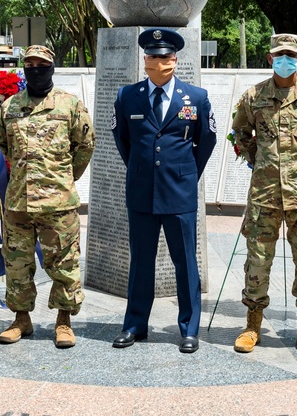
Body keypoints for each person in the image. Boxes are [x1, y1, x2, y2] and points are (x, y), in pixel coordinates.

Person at [231, 34, 297, 356]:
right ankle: (252, 326)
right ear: (269, 58)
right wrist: (258, 159)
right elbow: (241, 132)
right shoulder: (254, 96)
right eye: (279, 55)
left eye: (291, 55)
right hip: (264, 193)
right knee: (257, 261)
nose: (285, 60)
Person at [111, 28, 218, 353]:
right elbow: (123, 141)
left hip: (180, 194)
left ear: (175, 59)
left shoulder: (196, 98)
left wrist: (186, 174)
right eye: (154, 57)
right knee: (140, 262)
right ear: (145, 60)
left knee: (185, 262)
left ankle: (188, 328)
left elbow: (207, 142)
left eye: (166, 57)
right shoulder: (127, 96)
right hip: (142, 193)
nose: (160, 62)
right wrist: (142, 170)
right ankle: (134, 325)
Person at [0, 45, 95, 348]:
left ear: (51, 67)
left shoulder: (70, 105)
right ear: (24, 68)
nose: (35, 69)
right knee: (17, 263)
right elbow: (3, 145)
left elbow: (86, 145)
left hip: (58, 203)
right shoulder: (9, 107)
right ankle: (20, 319)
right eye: (30, 64)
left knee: (64, 262)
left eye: (42, 64)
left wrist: (64, 178)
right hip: (18, 202)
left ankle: (63, 321)